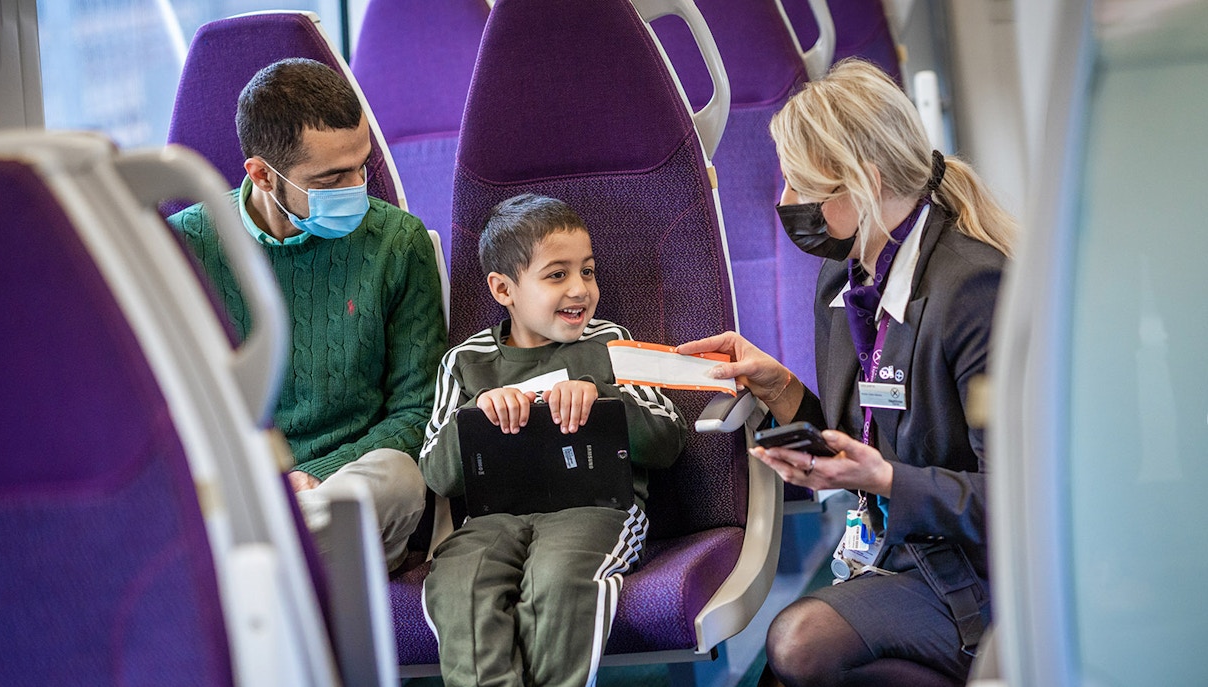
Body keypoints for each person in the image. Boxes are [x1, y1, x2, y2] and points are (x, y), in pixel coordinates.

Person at [679, 59, 1017, 686]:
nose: (784, 205)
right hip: (895, 556)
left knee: (799, 643)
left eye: (799, 187)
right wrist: (780, 389)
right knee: (791, 668)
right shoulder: (847, 278)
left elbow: (1013, 501)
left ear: (863, 181)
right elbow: (860, 440)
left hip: (972, 571)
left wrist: (887, 479)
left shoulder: (971, 288)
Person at [167, 58, 447, 571]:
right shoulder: (188, 246)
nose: (358, 186)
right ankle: (285, 563)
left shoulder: (399, 242)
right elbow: (176, 409)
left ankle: (245, 569)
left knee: (400, 478)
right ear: (261, 175)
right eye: (334, 176)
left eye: (363, 165)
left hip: (351, 483)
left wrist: (315, 477)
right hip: (242, 486)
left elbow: (419, 412)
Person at [418, 193, 686, 687]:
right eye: (557, 275)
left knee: (558, 580)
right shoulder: (466, 361)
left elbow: (668, 437)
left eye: (587, 271)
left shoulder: (613, 343)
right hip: (492, 517)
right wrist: (477, 417)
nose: (580, 289)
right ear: (504, 289)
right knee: (460, 584)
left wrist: (601, 398)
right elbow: (436, 471)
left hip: (595, 507)